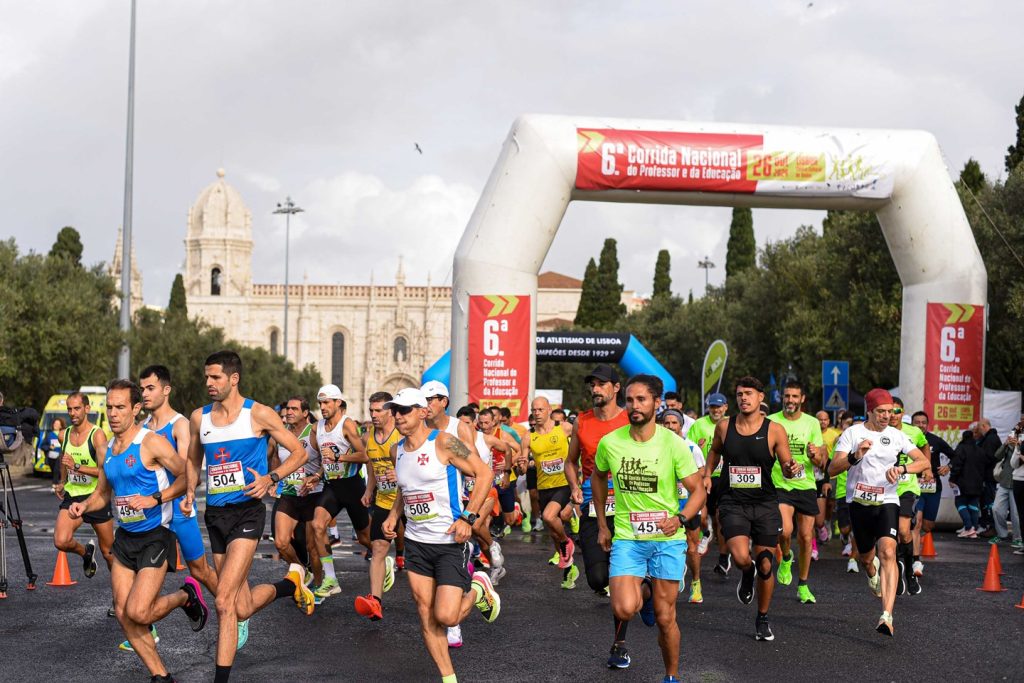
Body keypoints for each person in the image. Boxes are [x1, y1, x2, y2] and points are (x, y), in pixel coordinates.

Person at [184, 350, 316, 682]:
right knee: (241, 607)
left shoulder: (257, 414)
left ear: (234, 378)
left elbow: (299, 452)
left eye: (215, 377)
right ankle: (290, 584)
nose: (209, 382)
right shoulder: (199, 418)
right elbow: (193, 459)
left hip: (247, 513)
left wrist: (271, 478)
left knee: (224, 601)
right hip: (215, 515)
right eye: (207, 376)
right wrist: (188, 492)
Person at [68, 379, 208, 683]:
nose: (113, 413)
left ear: (135, 409)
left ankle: (185, 596)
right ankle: (161, 675)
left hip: (156, 535)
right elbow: (102, 493)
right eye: (109, 407)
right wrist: (83, 505)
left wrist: (155, 498)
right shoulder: (108, 449)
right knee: (122, 613)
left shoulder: (150, 442)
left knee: (140, 612)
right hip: (125, 539)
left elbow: (188, 475)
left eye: (120, 407)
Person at [381, 388, 501, 683]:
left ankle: (478, 588)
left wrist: (468, 517)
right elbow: (406, 489)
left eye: (405, 410)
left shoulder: (444, 442)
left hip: (449, 542)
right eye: (395, 411)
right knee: (425, 614)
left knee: (447, 616)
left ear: (422, 412)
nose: (398, 416)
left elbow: (484, 474)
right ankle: (449, 678)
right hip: (416, 543)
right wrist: (394, 515)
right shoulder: (396, 450)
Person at [592, 374, 705, 683]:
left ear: (657, 403)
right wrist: (602, 525)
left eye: (641, 399)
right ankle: (645, 589)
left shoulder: (673, 444)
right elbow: (598, 477)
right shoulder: (611, 443)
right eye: (629, 400)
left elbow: (698, 491)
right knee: (623, 609)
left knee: (666, 618)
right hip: (628, 537)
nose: (634, 406)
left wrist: (680, 519)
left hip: (667, 539)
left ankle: (671, 676)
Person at [119, 365, 218, 653]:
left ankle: (235, 612)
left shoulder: (179, 425)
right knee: (141, 570)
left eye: (150, 388)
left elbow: (188, 469)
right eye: (142, 389)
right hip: (150, 514)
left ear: (166, 390)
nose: (144, 394)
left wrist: (189, 495)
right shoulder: (141, 428)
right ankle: (146, 625)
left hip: (178, 508)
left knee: (199, 570)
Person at [703, 376, 800, 641]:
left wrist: (792, 469)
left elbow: (788, 467)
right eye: (739, 394)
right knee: (740, 557)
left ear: (760, 397)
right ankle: (747, 572)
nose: (743, 398)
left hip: (765, 504)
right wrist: (707, 474)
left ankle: (763, 617)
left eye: (748, 393)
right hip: (732, 502)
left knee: (766, 564)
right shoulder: (725, 426)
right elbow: (714, 451)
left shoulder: (775, 430)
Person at [829, 388, 928, 636]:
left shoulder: (897, 436)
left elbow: (923, 461)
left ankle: (887, 616)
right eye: (881, 411)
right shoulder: (852, 433)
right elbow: (832, 469)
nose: (887, 416)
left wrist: (902, 469)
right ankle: (871, 572)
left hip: (887, 501)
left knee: (888, 551)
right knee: (866, 558)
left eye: (890, 411)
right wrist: (855, 455)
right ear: (870, 411)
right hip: (859, 503)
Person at [564, 364, 631, 668]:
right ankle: (640, 593)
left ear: (616, 388)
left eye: (601, 384)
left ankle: (619, 644)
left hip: (629, 506)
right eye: (592, 384)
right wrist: (575, 487)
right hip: (593, 505)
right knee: (598, 578)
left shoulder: (630, 419)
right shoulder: (582, 421)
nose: (595, 389)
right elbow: (570, 462)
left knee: (619, 576)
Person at [52, 392, 115, 612]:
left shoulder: (97, 436)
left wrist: (77, 467)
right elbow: (64, 460)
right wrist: (62, 482)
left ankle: (119, 598)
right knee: (61, 541)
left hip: (96, 496)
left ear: (86, 409)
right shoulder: (65, 435)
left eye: (77, 408)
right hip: (73, 495)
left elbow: (104, 471)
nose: (73, 413)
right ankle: (85, 553)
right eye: (69, 409)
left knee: (109, 553)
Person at [309, 384, 370, 601]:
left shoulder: (347, 424)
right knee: (317, 525)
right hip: (332, 486)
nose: (323, 407)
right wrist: (317, 475)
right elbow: (324, 459)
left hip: (352, 486)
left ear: (338, 403)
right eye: (320, 403)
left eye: (327, 403)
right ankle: (331, 579)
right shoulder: (318, 427)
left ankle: (385, 559)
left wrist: (340, 457)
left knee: (365, 538)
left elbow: (364, 456)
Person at [767, 381, 825, 604]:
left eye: (794, 396)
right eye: (787, 396)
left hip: (805, 485)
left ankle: (803, 584)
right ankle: (786, 557)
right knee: (784, 531)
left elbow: (820, 461)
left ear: (802, 399)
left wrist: (813, 455)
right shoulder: (771, 421)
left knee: (806, 537)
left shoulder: (812, 423)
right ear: (782, 397)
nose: (790, 400)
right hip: (780, 484)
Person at [269, 396, 324, 600]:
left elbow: (326, 461)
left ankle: (318, 586)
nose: (289, 412)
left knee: (312, 547)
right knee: (281, 543)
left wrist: (317, 476)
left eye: (294, 409)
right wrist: (273, 480)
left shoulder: (314, 433)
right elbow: (276, 457)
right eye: (288, 408)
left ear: (305, 413)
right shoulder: (280, 434)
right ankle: (302, 569)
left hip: (313, 496)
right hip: (289, 494)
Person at [355, 391, 404, 620]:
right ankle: (375, 601)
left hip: (407, 500)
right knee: (378, 548)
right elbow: (372, 466)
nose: (373, 415)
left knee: (422, 553)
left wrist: (400, 474)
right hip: (384, 499)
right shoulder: (368, 437)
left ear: (391, 412)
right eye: (371, 410)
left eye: (378, 411)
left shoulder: (401, 435)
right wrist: (368, 490)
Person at [529, 396, 576, 581]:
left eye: (540, 409)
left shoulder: (564, 428)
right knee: (553, 531)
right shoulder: (528, 436)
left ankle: (567, 542)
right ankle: (569, 568)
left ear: (549, 410)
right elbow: (522, 465)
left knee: (549, 517)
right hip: (544, 487)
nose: (537, 413)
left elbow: (582, 441)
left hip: (563, 483)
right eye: (534, 410)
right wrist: (522, 465)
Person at [662, 408, 706, 605]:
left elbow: (702, 473)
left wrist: (685, 476)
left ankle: (696, 582)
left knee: (692, 546)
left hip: (688, 504)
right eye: (667, 423)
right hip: (665, 504)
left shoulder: (691, 447)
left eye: (674, 423)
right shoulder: (657, 446)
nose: (670, 426)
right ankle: (677, 572)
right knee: (667, 544)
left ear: (681, 425)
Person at [889, 397, 929, 595]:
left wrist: (927, 467)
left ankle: (910, 572)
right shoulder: (879, 432)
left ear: (903, 413)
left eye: (897, 411)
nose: (893, 415)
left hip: (907, 488)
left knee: (904, 531)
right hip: (885, 490)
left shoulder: (913, 431)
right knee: (890, 536)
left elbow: (924, 445)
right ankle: (897, 570)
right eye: (890, 411)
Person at [687, 393, 729, 576]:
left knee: (722, 518)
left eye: (719, 407)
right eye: (712, 407)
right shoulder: (699, 425)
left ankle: (723, 558)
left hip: (725, 477)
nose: (716, 410)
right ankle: (707, 531)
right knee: (703, 516)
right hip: (703, 477)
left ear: (725, 407)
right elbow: (688, 448)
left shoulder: (731, 424)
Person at [909, 411, 956, 574]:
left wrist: (948, 467)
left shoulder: (935, 440)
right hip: (914, 486)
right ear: (912, 424)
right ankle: (914, 557)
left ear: (927, 424)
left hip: (933, 486)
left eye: (923, 422)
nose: (920, 425)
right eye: (917, 422)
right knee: (917, 521)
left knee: (928, 526)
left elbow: (955, 455)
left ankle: (912, 540)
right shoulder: (907, 439)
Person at [951, 421, 993, 540]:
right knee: (973, 505)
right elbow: (986, 465)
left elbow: (956, 465)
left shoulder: (961, 448)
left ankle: (968, 528)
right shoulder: (980, 450)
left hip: (963, 483)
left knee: (960, 503)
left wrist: (952, 478)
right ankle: (973, 529)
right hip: (978, 484)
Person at [991, 424, 1023, 550]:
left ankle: (1018, 538)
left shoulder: (1021, 445)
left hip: (1017, 482)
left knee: (1016, 514)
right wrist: (1005, 444)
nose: (1013, 436)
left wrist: (1017, 446)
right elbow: (997, 456)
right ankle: (1002, 534)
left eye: (1015, 434)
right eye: (1012, 434)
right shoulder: (1008, 445)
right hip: (1004, 482)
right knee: (996, 509)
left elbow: (1018, 461)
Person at [1010, 440, 1024, 555]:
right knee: (1021, 514)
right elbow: (1013, 464)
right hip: (1018, 480)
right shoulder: (1020, 444)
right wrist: (1018, 450)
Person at [47, 417, 65, 485]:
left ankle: (55, 484)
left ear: (61, 426)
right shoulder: (49, 435)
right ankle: (58, 483)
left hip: (60, 455)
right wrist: (49, 447)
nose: (55, 425)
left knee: (56, 470)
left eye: (57, 424)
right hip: (51, 456)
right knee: (54, 471)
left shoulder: (63, 434)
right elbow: (43, 445)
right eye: (54, 424)